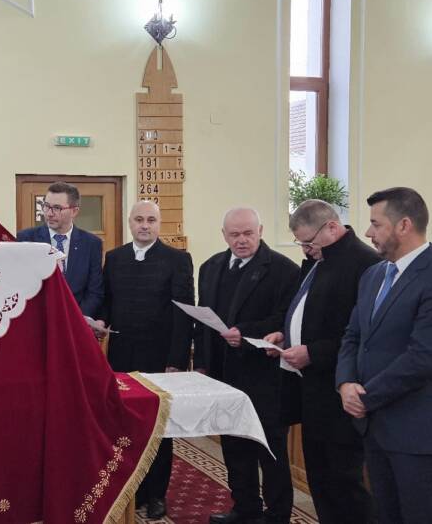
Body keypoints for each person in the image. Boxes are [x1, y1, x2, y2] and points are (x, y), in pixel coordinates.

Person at [335, 187, 432, 524]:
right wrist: (345, 382)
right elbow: (353, 336)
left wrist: (365, 397)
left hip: (417, 429)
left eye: (376, 224)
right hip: (375, 425)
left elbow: (426, 358)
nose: (368, 232)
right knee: (386, 515)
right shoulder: (373, 275)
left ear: (404, 225)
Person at [261, 200, 379, 524]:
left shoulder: (365, 264)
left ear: (332, 227)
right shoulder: (319, 260)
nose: (306, 249)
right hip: (311, 389)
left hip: (341, 390)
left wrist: (312, 352)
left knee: (344, 481)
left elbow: (362, 335)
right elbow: (308, 313)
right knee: (320, 478)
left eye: (308, 242)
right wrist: (286, 336)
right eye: (301, 243)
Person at [193, 208, 300, 524]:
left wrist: (246, 333)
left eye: (248, 233)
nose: (241, 240)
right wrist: (201, 364)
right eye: (235, 234)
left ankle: (278, 514)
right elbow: (204, 321)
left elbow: (285, 319)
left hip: (263, 376)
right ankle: (245, 507)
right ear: (224, 235)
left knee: (269, 449)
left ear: (261, 231)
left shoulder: (283, 270)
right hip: (223, 374)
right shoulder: (211, 266)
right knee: (234, 446)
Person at [92, 200, 192, 518]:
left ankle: (157, 494)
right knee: (124, 424)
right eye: (139, 219)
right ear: (130, 222)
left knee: (159, 427)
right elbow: (108, 301)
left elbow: (184, 314)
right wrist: (100, 322)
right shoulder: (115, 257)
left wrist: (176, 361)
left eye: (150, 220)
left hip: (160, 357)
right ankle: (130, 488)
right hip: (121, 355)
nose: (144, 225)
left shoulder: (177, 259)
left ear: (159, 224)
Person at [16, 182, 103, 316]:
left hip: (76, 320)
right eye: (46, 206)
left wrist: (75, 319)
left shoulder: (91, 244)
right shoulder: (26, 239)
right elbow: (20, 286)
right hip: (39, 319)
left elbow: (95, 292)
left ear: (74, 211)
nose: (49, 213)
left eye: (57, 208)